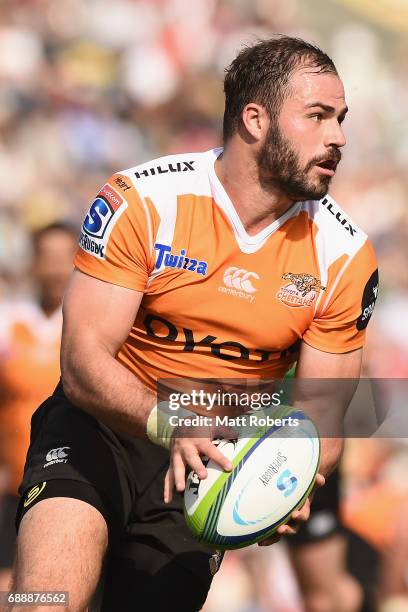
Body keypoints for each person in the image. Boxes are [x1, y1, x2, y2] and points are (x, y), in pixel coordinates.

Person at [9, 36, 378, 612]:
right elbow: (83, 365)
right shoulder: (144, 200)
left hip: (211, 468)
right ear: (255, 120)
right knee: (42, 600)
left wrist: (294, 476)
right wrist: (175, 420)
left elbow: (323, 410)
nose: (339, 137)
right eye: (318, 116)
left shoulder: (345, 254)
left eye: (341, 119)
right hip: (98, 430)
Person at [0, 223, 77, 591]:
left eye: (65, 258)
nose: (57, 269)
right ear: (32, 264)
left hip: (67, 485)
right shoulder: (9, 322)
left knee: (52, 587)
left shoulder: (90, 324)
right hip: (10, 486)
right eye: (47, 259)